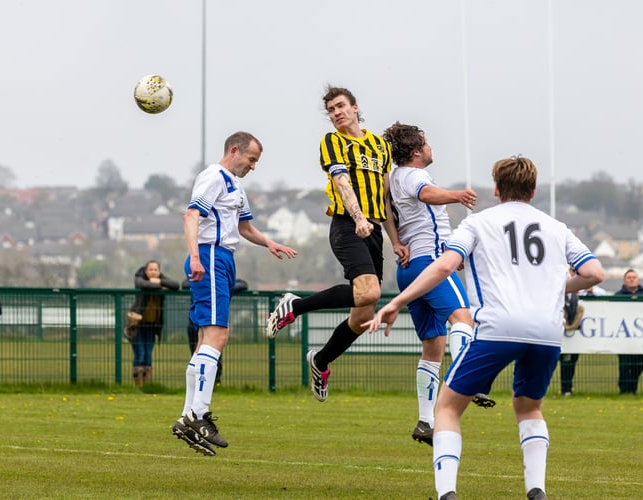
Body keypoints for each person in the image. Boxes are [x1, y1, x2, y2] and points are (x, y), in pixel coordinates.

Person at [364, 156, 605, 500]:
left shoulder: (478, 223)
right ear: (533, 191)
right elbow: (595, 273)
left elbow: (444, 265)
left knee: (447, 407)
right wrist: (556, 287)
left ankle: (447, 493)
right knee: (529, 408)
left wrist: (397, 301)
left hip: (498, 327)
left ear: (496, 189)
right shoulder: (556, 227)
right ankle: (536, 490)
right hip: (546, 332)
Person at [266, 85, 405, 402]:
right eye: (331, 110)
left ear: (355, 108)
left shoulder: (380, 146)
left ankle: (320, 360)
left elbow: (384, 197)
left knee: (362, 315)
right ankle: (295, 305)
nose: (336, 113)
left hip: (372, 230)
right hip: (346, 224)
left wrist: (394, 241)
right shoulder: (332, 142)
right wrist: (357, 217)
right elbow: (341, 182)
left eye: (341, 106)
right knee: (369, 291)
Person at [172, 131, 297, 457]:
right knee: (217, 336)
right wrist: (196, 256)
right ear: (234, 150)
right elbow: (191, 215)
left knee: (204, 340)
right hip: (210, 255)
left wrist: (269, 242)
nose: (253, 166)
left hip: (223, 258)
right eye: (251, 159)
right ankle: (199, 415)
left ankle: (188, 414)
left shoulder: (235, 185)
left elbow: (243, 227)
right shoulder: (213, 177)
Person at [382, 121, 495, 447]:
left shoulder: (391, 178)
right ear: (416, 151)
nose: (431, 148)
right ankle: (467, 380)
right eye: (427, 143)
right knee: (465, 319)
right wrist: (456, 195)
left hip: (408, 268)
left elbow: (385, 210)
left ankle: (425, 420)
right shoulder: (415, 175)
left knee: (433, 345)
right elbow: (426, 194)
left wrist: (396, 242)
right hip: (430, 265)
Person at [129, 260, 179, 387]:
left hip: (152, 325)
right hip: (138, 324)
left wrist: (160, 282)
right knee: (140, 353)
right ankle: (138, 384)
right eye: (150, 269)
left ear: (159, 271)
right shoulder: (139, 278)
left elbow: (175, 285)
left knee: (148, 353)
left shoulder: (160, 279)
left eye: (155, 269)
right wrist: (159, 286)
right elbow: (143, 284)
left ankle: (147, 384)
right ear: (146, 271)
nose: (153, 272)